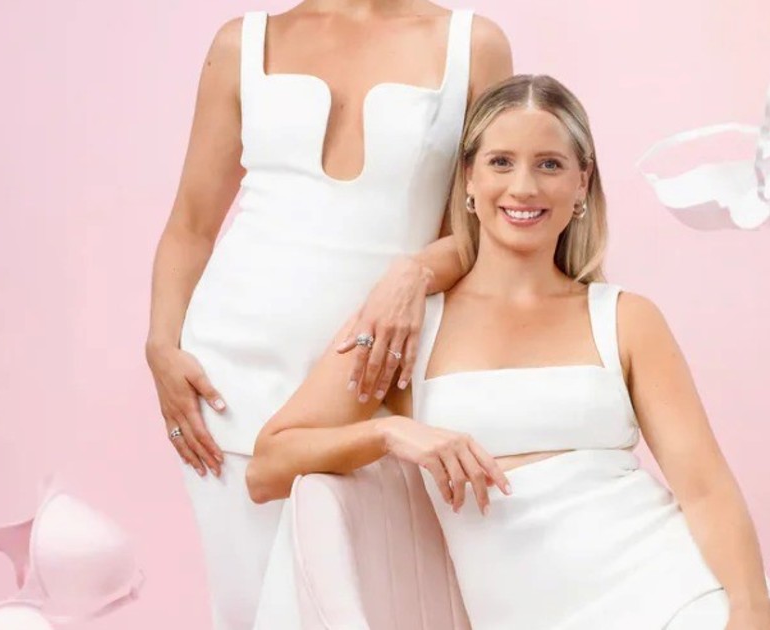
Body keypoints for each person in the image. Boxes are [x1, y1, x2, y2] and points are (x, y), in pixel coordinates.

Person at [247, 74, 770, 629]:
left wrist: (751, 609)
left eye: (550, 164)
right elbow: (267, 467)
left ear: (582, 183)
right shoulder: (408, 325)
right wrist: (388, 433)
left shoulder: (625, 318)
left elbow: (705, 489)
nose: (524, 187)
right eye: (501, 162)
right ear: (469, 177)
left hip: (676, 595)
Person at [143, 1, 512, 627]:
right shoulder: (242, 44)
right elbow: (191, 224)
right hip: (230, 380)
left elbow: (491, 221)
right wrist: (160, 345)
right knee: (246, 612)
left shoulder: (472, 45)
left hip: (374, 382)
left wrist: (415, 272)